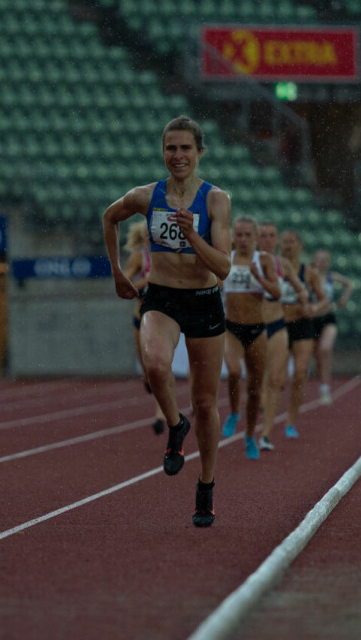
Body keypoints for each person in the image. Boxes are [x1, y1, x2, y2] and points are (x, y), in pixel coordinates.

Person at [103, 116, 231, 528]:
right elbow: (109, 217)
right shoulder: (146, 196)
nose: (177, 156)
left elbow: (225, 267)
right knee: (155, 364)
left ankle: (206, 485)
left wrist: (194, 237)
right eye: (170, 148)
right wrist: (118, 272)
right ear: (163, 152)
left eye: (185, 149)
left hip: (204, 300)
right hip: (161, 297)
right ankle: (176, 426)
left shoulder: (215, 201)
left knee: (207, 402)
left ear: (199, 153)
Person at [220, 216, 281, 460]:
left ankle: (248, 436)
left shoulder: (263, 260)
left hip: (257, 330)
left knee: (255, 391)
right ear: (234, 235)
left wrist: (259, 276)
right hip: (231, 328)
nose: (243, 239)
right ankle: (234, 412)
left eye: (248, 235)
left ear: (255, 237)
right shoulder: (226, 257)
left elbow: (276, 292)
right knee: (234, 372)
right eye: (240, 234)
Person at [256, 221, 308, 451]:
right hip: (253, 325)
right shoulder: (244, 261)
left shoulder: (283, 265)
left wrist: (305, 299)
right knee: (255, 377)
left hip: (282, 324)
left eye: (272, 236)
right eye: (263, 236)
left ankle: (267, 433)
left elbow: (302, 290)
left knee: (282, 378)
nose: (268, 240)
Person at [279, 230, 326, 438]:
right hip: (278, 325)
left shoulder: (309, 272)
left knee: (299, 373)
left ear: (300, 246)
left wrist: (314, 309)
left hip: (302, 325)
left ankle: (290, 421)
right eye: (285, 242)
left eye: (292, 242)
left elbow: (324, 299)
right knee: (278, 378)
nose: (288, 246)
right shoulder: (274, 268)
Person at [122, 220, 168, 434]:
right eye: (149, 234)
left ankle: (160, 415)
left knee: (158, 366)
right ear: (143, 237)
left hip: (162, 318)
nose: (153, 238)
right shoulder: (139, 257)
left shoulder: (168, 255)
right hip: (140, 317)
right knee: (147, 370)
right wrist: (146, 281)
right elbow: (124, 285)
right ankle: (147, 380)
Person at [309, 249, 354, 405]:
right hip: (312, 319)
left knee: (325, 349)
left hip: (328, 318)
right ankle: (322, 383)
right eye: (319, 259)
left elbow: (349, 284)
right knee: (317, 360)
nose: (322, 262)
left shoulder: (331, 277)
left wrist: (343, 299)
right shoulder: (309, 276)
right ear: (314, 261)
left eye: (325, 260)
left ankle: (325, 389)